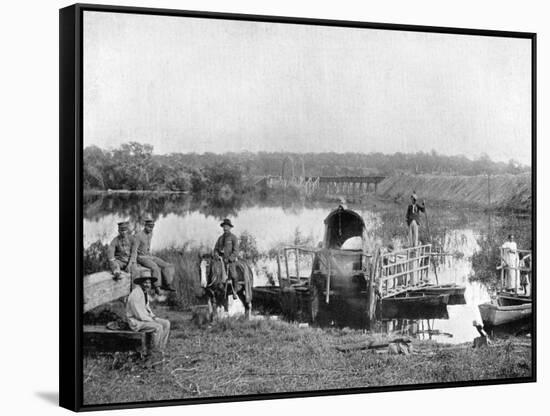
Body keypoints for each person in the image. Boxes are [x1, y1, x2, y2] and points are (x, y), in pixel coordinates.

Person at [126, 269, 171, 355]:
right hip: (136, 322)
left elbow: (147, 308)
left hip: (145, 319)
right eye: (145, 282)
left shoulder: (144, 292)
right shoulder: (135, 294)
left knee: (166, 323)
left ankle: (161, 348)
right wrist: (152, 320)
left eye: (149, 283)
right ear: (141, 283)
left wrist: (154, 317)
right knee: (158, 327)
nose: (148, 285)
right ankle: (154, 351)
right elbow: (139, 315)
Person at [131, 218, 176, 295]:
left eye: (152, 227)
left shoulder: (150, 234)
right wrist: (133, 263)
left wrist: (150, 255)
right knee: (155, 267)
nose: (151, 229)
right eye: (149, 227)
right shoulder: (138, 236)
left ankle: (167, 284)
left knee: (166, 265)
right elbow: (134, 251)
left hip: (149, 256)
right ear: (145, 226)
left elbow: (147, 247)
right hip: (141, 257)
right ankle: (157, 288)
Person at [213, 218, 239, 299]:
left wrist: (230, 258)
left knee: (234, 275)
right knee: (214, 273)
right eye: (224, 226)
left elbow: (236, 251)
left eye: (227, 226)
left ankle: (235, 290)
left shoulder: (233, 238)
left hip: (230, 261)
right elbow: (215, 249)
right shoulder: (220, 238)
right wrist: (216, 254)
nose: (225, 228)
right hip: (221, 261)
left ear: (230, 228)